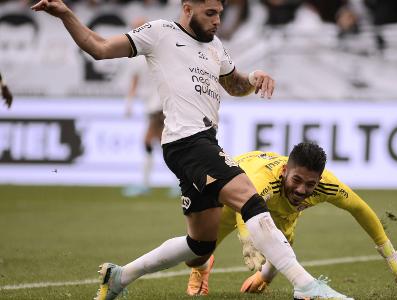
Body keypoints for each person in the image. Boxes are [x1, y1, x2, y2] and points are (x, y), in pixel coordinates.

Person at [31, 1, 352, 299]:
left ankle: (118, 277)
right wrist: (65, 14)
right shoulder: (160, 32)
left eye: (220, 13)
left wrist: (254, 78)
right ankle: (306, 286)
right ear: (187, 8)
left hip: (202, 142)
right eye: (210, 13)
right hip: (187, 140)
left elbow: (235, 85)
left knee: (201, 244)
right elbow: (98, 48)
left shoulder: (215, 46)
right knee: (251, 200)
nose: (217, 20)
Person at [184, 142, 397, 296]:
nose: (302, 190)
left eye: (310, 184)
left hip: (277, 203)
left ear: (319, 180)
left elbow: (359, 209)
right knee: (204, 244)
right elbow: (243, 206)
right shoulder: (264, 180)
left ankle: (264, 278)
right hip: (236, 186)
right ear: (284, 171)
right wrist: (248, 239)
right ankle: (202, 267)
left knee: (282, 244)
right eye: (297, 180)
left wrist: (390, 254)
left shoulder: (326, 185)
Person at [121, 17, 166, 197]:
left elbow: (135, 82)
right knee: (165, 143)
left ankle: (146, 184)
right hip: (154, 103)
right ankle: (181, 182)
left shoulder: (147, 53)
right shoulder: (150, 53)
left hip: (158, 104)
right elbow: (135, 82)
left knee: (149, 141)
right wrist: (129, 103)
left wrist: (129, 104)